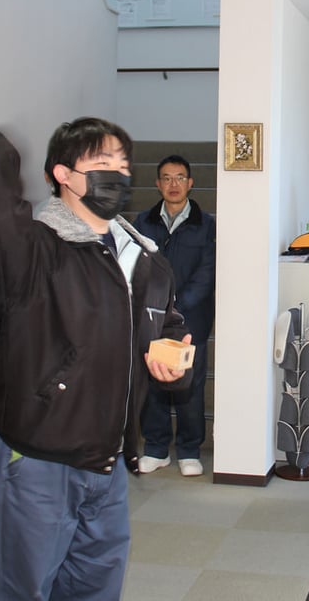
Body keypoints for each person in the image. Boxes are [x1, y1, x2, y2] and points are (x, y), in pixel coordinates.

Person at [0, 119, 192, 601]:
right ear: (63, 174)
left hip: (107, 460)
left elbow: (167, 325)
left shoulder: (146, 259)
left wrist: (173, 359)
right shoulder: (35, 249)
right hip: (38, 457)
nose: (119, 173)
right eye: (103, 162)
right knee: (26, 589)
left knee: (96, 586)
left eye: (123, 164)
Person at [134, 154, 216, 477]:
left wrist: (176, 306)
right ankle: (155, 448)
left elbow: (207, 273)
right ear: (158, 184)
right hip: (151, 315)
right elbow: (137, 265)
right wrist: (154, 304)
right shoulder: (143, 222)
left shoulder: (206, 224)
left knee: (189, 384)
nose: (173, 184)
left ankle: (189, 450)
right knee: (153, 380)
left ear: (190, 183)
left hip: (190, 317)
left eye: (180, 178)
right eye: (167, 178)